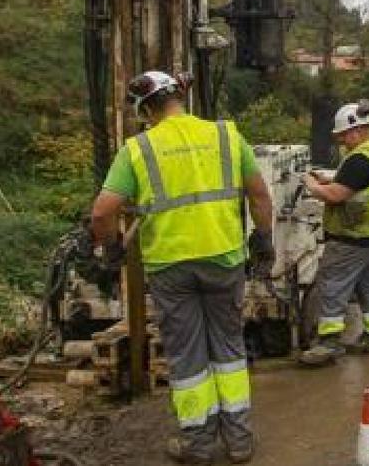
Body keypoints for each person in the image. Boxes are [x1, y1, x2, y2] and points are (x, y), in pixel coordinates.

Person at [89, 70, 275, 465]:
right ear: (179, 97)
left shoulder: (137, 149)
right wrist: (263, 238)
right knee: (228, 348)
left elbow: (102, 212)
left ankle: (199, 445)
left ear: (146, 109)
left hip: (170, 268)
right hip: (224, 260)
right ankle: (240, 442)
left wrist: (112, 250)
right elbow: (259, 194)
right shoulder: (225, 135)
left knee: (187, 356)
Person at [299, 99, 369, 366]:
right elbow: (354, 182)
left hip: (354, 234)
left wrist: (310, 184)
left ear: (356, 130)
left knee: (333, 282)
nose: (342, 141)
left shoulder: (362, 157)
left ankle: (328, 343)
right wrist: (331, 177)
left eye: (343, 135)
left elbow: (336, 195)